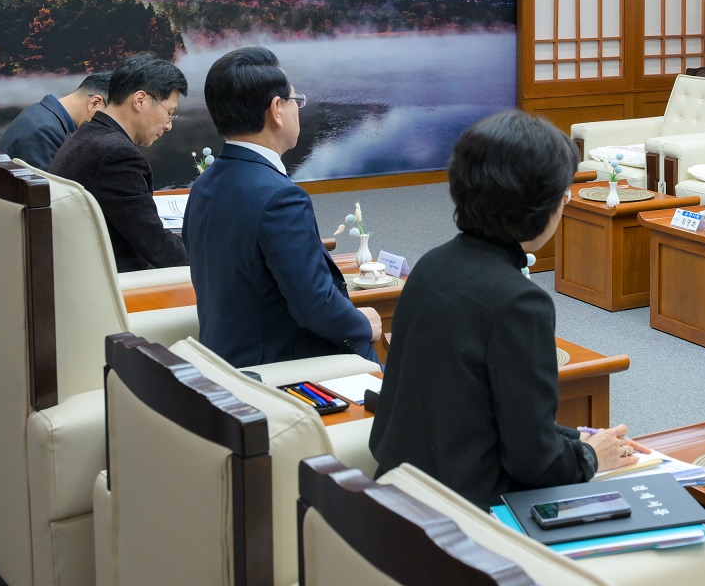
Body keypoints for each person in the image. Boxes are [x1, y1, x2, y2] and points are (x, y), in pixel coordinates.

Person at [370, 110, 636, 510]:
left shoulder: (431, 265)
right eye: (563, 196)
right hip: (467, 515)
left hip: (401, 491)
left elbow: (479, 410)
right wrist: (591, 456)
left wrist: (575, 439)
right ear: (538, 206)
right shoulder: (519, 301)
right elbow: (535, 463)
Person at [184, 46, 380, 366]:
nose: (297, 109)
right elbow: (315, 304)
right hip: (278, 371)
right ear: (277, 109)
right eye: (295, 100)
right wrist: (362, 325)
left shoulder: (204, 185)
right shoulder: (280, 198)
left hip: (225, 361)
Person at [50, 54, 190, 273]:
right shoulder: (117, 155)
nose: (168, 125)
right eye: (169, 113)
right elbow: (156, 245)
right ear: (140, 100)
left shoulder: (85, 135)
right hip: (116, 279)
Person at [0, 72, 112, 170]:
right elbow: (47, 187)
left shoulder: (45, 116)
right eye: (110, 118)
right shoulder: (46, 131)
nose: (108, 127)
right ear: (95, 103)